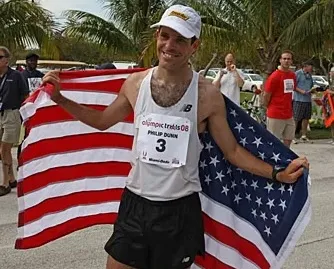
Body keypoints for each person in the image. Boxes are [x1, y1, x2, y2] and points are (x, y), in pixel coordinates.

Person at [42, 5, 309, 269]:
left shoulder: (207, 95)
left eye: (180, 39)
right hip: (135, 203)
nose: (170, 45)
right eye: (165, 36)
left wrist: (277, 174)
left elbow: (233, 152)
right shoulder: (135, 84)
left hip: (178, 211)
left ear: (194, 46)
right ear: (157, 37)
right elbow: (101, 121)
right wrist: (60, 99)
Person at [0, 46, 29, 196]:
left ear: (6, 60)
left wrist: (25, 115)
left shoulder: (16, 76)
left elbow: (25, 95)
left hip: (12, 113)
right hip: (0, 113)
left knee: (4, 149)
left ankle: (4, 183)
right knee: (2, 149)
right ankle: (11, 179)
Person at [263, 51, 296, 148]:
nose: (286, 61)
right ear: (280, 60)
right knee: (273, 142)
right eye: (284, 59)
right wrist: (268, 106)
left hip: (288, 114)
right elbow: (266, 95)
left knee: (288, 139)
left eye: (288, 59)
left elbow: (291, 91)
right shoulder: (274, 76)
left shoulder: (292, 75)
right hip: (275, 114)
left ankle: (285, 161)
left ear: (291, 61)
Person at [292, 61, 316, 143]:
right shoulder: (297, 74)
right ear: (305, 66)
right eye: (310, 66)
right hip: (299, 99)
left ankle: (304, 135)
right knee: (296, 118)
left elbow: (311, 85)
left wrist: (313, 90)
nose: (311, 68)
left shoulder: (309, 75)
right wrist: (302, 91)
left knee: (306, 118)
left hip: (307, 100)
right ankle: (292, 136)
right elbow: (293, 86)